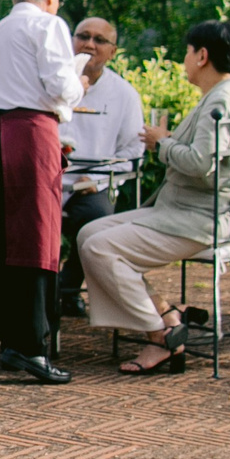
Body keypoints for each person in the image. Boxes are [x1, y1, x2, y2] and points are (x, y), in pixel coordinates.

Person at [74, 21, 230, 375]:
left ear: (202, 56)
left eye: (187, 52)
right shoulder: (220, 97)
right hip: (183, 208)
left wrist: (163, 143)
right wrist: (173, 142)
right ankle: (165, 312)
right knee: (88, 234)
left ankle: (162, 336)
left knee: (100, 249)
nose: (184, 59)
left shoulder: (223, 101)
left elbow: (202, 163)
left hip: (202, 217)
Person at [0, 0, 85, 384]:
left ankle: (10, 341)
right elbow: (60, 85)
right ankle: (36, 345)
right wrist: (79, 85)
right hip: (32, 131)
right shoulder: (48, 26)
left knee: (0, 236)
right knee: (38, 234)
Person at [57, 16, 144, 317]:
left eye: (100, 40)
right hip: (49, 182)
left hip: (94, 186)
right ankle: (35, 295)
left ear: (113, 51)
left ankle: (65, 289)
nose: (89, 44)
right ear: (71, 42)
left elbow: (134, 150)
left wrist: (98, 177)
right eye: (83, 36)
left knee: (97, 223)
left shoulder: (124, 94)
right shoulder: (52, 84)